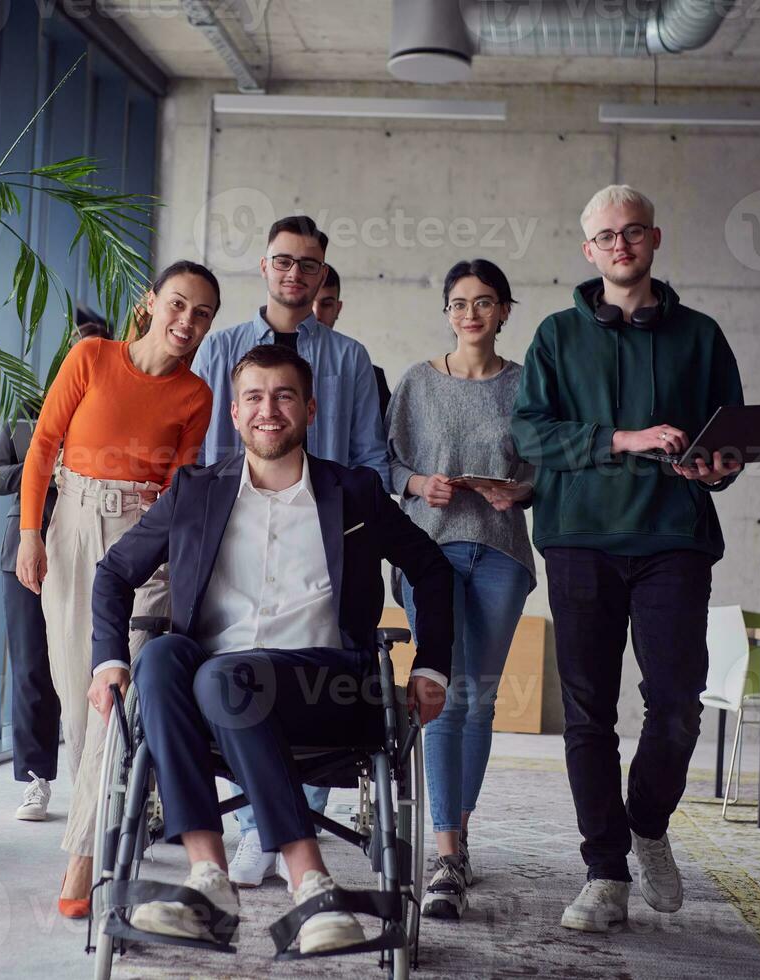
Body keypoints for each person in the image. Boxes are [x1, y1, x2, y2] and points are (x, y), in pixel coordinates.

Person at [87, 344, 453, 952]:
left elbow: (432, 569)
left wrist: (432, 666)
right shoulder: (196, 491)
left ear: (309, 408)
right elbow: (113, 572)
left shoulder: (354, 492)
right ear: (235, 414)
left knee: (221, 677)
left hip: (325, 687)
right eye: (254, 397)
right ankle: (209, 879)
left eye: (284, 396)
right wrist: (109, 661)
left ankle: (310, 881)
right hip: (213, 692)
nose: (269, 410)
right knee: (162, 659)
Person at [511, 185, 744, 933]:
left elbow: (729, 438)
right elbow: (531, 436)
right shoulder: (554, 336)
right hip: (579, 538)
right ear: (589, 251)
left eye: (633, 231)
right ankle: (604, 871)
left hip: (673, 538)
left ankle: (647, 824)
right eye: (606, 236)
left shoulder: (702, 335)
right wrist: (622, 438)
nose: (620, 244)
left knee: (677, 703)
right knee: (587, 712)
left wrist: (718, 467)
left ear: (654, 239)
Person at [16, 260, 220, 919]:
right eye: (179, 305)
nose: (187, 322)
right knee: (78, 707)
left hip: (144, 546)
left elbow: (183, 497)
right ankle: (108, 816)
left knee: (113, 699)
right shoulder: (92, 357)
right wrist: (29, 533)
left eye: (202, 314)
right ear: (151, 302)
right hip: (71, 527)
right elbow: (44, 444)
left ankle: (83, 861)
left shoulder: (197, 396)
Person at [190, 216, 390, 887]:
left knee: (313, 645)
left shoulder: (350, 359)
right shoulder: (219, 352)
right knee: (233, 653)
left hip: (322, 538)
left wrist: (349, 518)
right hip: (236, 537)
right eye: (284, 261)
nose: (296, 275)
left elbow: (369, 456)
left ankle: (282, 826)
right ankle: (259, 830)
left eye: (310, 265)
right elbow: (198, 452)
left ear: (321, 276)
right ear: (266, 268)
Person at [387, 258, 536, 920]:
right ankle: (445, 854)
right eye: (458, 303)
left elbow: (545, 468)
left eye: (483, 302)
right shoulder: (418, 383)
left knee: (479, 699)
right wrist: (422, 485)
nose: (469, 313)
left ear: (505, 310)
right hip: (432, 549)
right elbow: (385, 462)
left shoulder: (529, 386)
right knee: (442, 694)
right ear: (446, 312)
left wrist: (518, 490)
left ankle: (459, 834)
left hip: (501, 551)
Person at [0, 317, 111, 822]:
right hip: (25, 549)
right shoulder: (25, 408)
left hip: (92, 548)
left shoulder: (110, 412)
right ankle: (36, 780)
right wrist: (49, 465)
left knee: (90, 665)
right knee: (32, 668)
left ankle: (99, 776)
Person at [314, 264, 390, 422]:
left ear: (338, 309)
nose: (316, 314)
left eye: (326, 304)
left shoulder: (371, 377)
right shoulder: (266, 367)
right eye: (309, 303)